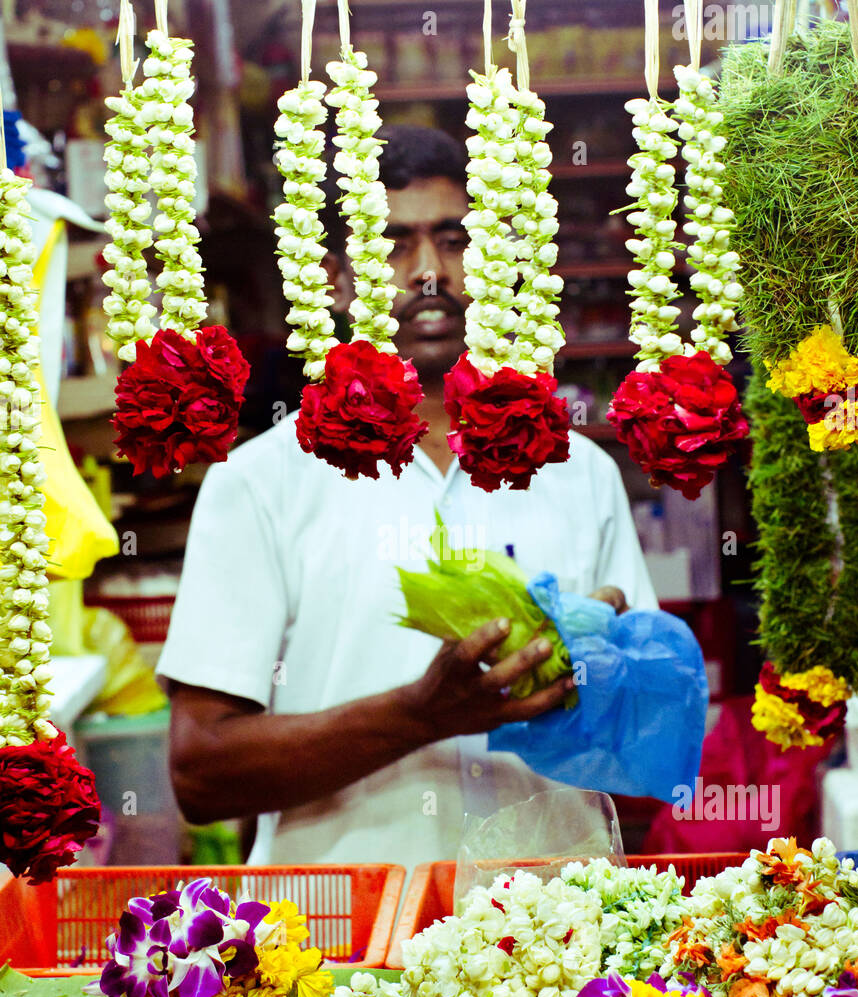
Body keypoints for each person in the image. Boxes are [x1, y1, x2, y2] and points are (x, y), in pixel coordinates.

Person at [158, 125, 657, 870]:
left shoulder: (573, 468)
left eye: (455, 240)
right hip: (338, 953)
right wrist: (418, 716)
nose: (428, 272)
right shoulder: (262, 483)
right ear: (333, 277)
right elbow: (201, 771)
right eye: (392, 244)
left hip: (558, 940)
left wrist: (616, 679)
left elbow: (647, 750)